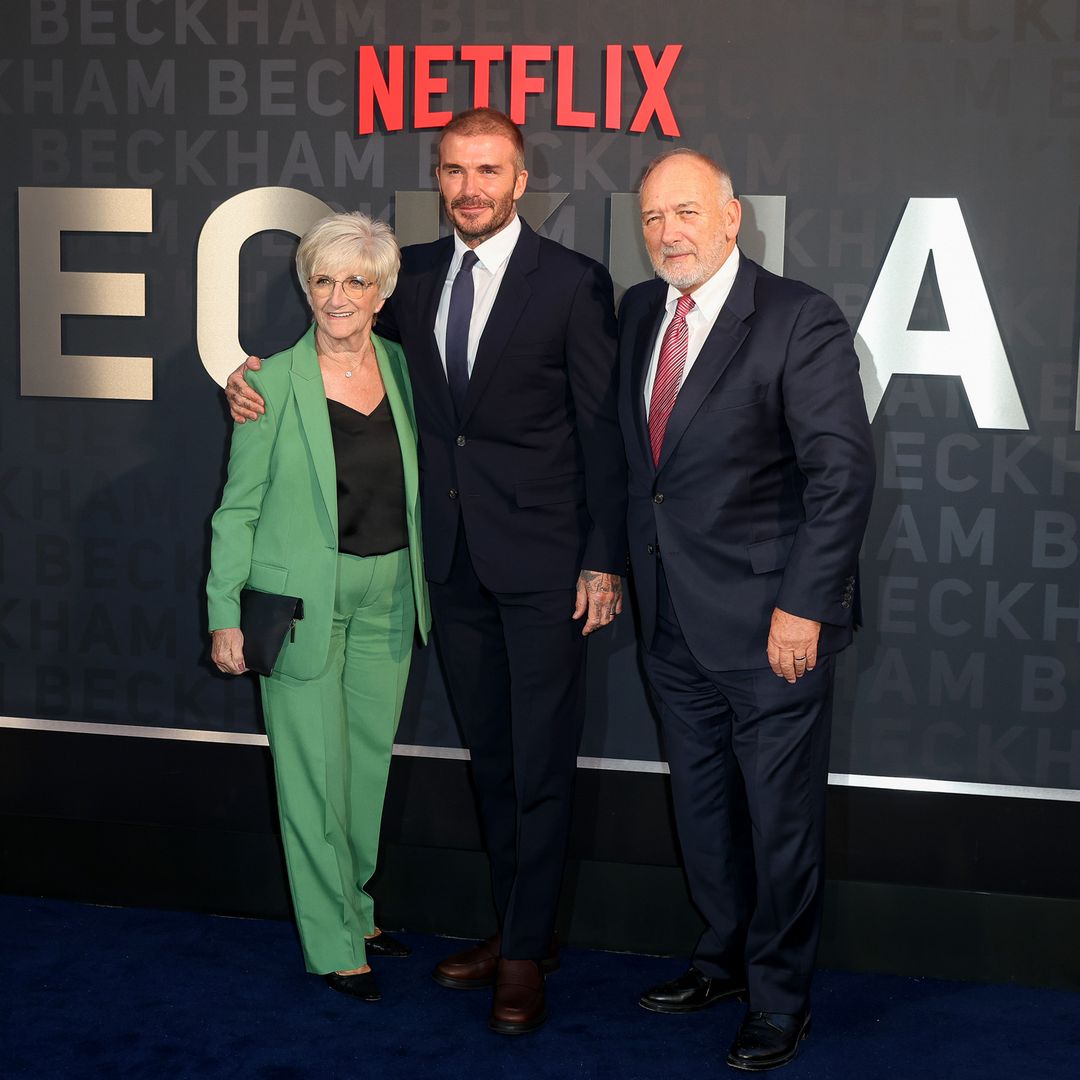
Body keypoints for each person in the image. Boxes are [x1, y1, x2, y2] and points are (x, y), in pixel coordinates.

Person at [225, 108, 627, 1035]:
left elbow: (602, 436)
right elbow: (336, 342)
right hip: (444, 573)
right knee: (492, 762)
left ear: (522, 181)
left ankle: (527, 954)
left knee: (540, 765)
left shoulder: (573, 284)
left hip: (543, 570)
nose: (471, 187)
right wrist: (245, 382)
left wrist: (603, 558)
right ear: (438, 179)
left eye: (489, 170)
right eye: (455, 171)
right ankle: (510, 924)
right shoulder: (409, 278)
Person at [619, 150, 875, 1071]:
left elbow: (841, 474)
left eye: (685, 212)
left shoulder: (797, 316)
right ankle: (720, 959)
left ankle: (780, 998)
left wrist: (805, 606)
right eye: (652, 218)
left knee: (780, 821)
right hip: (670, 622)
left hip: (773, 629)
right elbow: (641, 475)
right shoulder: (642, 310)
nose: (668, 233)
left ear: (733, 217)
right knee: (702, 810)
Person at [208, 211, 430, 1003]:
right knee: (310, 773)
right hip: (301, 605)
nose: (338, 297)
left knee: (364, 768)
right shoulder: (266, 383)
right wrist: (223, 611)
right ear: (308, 287)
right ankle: (333, 940)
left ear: (381, 294)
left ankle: (358, 907)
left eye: (356, 282)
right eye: (324, 280)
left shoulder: (406, 370)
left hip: (393, 597)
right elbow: (236, 509)